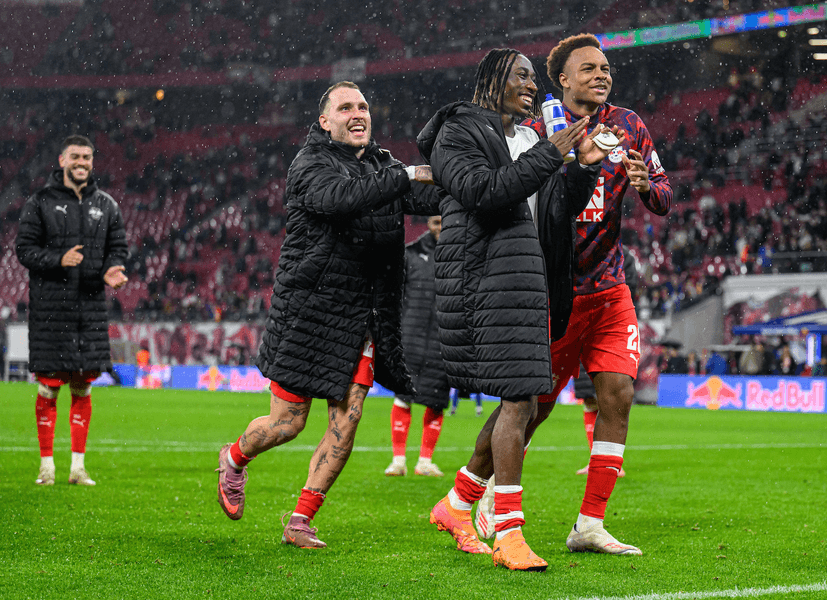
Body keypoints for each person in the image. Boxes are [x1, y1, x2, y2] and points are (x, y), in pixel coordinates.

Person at [416, 47, 617, 571]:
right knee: (520, 399)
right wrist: (551, 154)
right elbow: (482, 192)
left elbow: (555, 210)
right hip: (483, 279)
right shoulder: (459, 132)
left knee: (523, 400)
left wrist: (584, 169)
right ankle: (507, 531)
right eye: (521, 76)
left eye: (533, 78)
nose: (532, 85)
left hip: (528, 280)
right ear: (492, 80)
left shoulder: (529, 138)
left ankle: (459, 503)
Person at [215, 81, 439, 548]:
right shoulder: (310, 163)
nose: (358, 113)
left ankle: (300, 519)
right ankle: (234, 459)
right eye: (345, 108)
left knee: (348, 418)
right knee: (288, 423)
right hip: (311, 312)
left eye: (363, 106)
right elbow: (340, 199)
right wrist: (406, 175)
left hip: (363, 316)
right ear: (325, 121)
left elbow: (431, 199)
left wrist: (469, 176)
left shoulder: (383, 165)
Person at [476, 33, 674, 557]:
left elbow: (663, 194)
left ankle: (590, 523)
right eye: (588, 68)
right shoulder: (537, 129)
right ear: (562, 79)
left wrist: (645, 185)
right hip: (552, 288)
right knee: (530, 408)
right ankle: (483, 485)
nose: (601, 74)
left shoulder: (628, 125)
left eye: (605, 68)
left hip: (609, 286)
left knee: (619, 395)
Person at [16, 134, 129, 487]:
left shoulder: (107, 205)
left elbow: (118, 248)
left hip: (90, 312)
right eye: (76, 156)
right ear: (62, 160)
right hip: (51, 312)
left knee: (83, 387)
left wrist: (113, 268)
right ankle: (46, 467)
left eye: (87, 157)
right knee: (49, 388)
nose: (82, 162)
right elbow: (24, 250)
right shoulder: (39, 202)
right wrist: (58, 260)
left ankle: (78, 468)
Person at [386, 215, 449, 478]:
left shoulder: (459, 256)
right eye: (435, 222)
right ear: (428, 224)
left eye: (444, 222)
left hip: (442, 341)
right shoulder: (410, 254)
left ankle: (425, 461)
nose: (440, 227)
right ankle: (398, 460)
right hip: (410, 338)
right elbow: (394, 296)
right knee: (403, 396)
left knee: (436, 401)